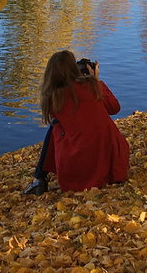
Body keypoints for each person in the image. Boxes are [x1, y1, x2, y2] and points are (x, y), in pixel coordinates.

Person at [24, 51, 130, 195]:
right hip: (114, 166)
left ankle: (40, 178)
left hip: (75, 175)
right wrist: (96, 81)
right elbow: (114, 108)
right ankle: (40, 178)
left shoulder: (55, 98)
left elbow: (73, 113)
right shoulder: (91, 86)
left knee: (56, 125)